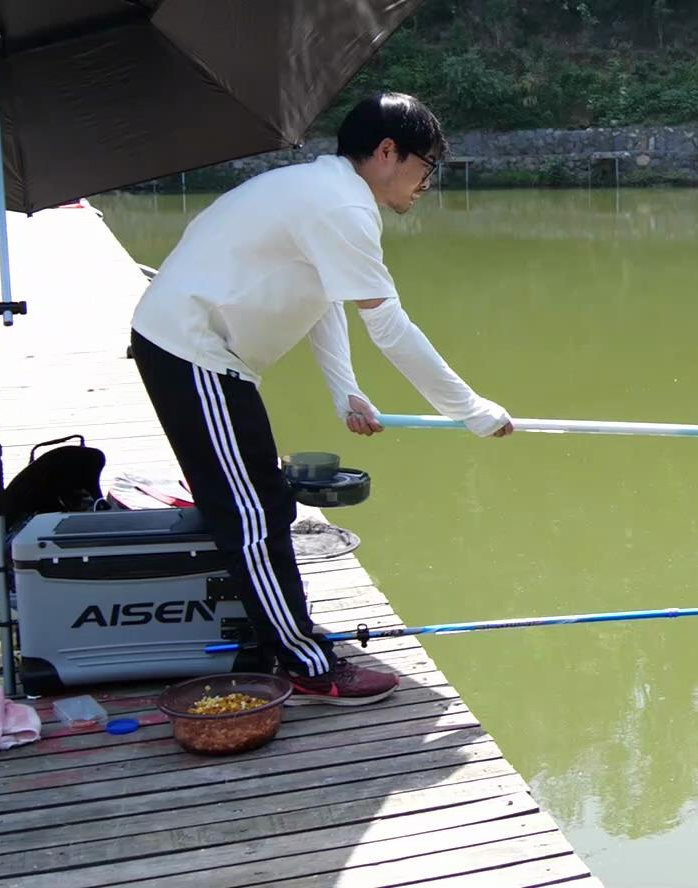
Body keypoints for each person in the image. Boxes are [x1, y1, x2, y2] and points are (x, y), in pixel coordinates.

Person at [128, 92, 513, 706]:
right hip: (190, 348)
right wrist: (471, 409)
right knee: (253, 516)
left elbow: (323, 295)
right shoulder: (342, 206)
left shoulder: (326, 192)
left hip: (203, 353)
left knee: (264, 502)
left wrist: (345, 391)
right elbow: (390, 328)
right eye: (426, 166)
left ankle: (274, 637)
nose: (426, 183)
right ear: (388, 152)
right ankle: (304, 661)